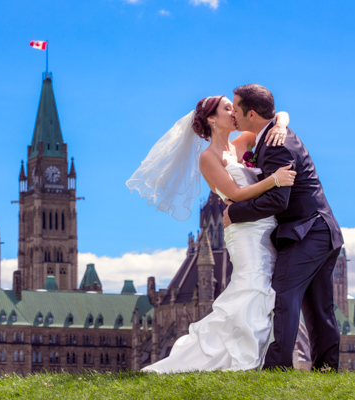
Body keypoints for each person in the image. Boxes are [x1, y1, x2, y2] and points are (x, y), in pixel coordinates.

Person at [127, 95, 296, 372]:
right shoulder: (208, 157)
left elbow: (275, 119)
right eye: (227, 108)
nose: (235, 112)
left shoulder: (241, 143)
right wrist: (273, 180)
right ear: (211, 119)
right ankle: (244, 359)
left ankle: (261, 359)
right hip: (244, 233)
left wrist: (281, 125)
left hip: (265, 229)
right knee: (251, 287)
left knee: (266, 291)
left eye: (235, 107)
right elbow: (235, 194)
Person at [225, 84, 343, 371]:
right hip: (322, 231)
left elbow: (278, 199)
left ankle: (277, 367)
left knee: (283, 294)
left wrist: (234, 211)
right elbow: (277, 117)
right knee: (318, 306)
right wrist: (281, 119)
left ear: (251, 114)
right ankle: (326, 370)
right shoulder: (272, 134)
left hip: (308, 231)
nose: (233, 115)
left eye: (236, 109)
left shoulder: (276, 145)